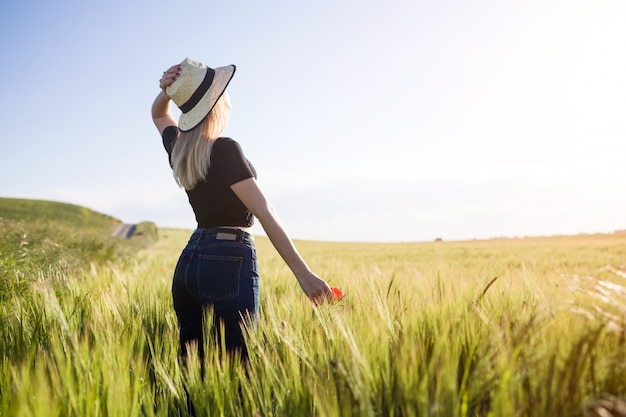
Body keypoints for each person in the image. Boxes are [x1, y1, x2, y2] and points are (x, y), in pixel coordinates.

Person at [151, 58, 332, 364]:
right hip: (227, 259)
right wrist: (304, 274)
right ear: (215, 104)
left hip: (189, 261)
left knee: (191, 366)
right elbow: (264, 210)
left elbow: (158, 114)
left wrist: (168, 91)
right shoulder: (224, 149)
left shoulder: (179, 151)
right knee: (237, 368)